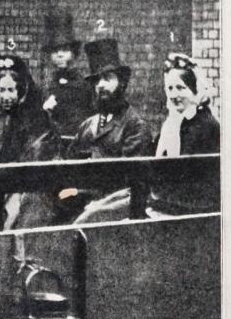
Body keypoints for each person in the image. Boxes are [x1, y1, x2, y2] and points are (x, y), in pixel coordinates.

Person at [63, 38, 152, 221]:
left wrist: (85, 195)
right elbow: (68, 166)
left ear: (122, 83)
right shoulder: (88, 125)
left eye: (107, 78)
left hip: (116, 205)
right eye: (96, 80)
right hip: (83, 199)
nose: (100, 85)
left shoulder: (135, 127)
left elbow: (127, 182)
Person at [149, 52, 219, 215]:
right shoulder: (173, 123)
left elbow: (195, 182)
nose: (174, 95)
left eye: (180, 88)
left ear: (195, 90)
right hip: (167, 202)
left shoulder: (205, 126)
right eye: (170, 88)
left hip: (192, 211)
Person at [39, 12, 92, 137]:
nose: (60, 55)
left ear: (73, 53)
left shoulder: (83, 85)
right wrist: (45, 110)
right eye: (55, 50)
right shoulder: (47, 86)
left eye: (65, 50)